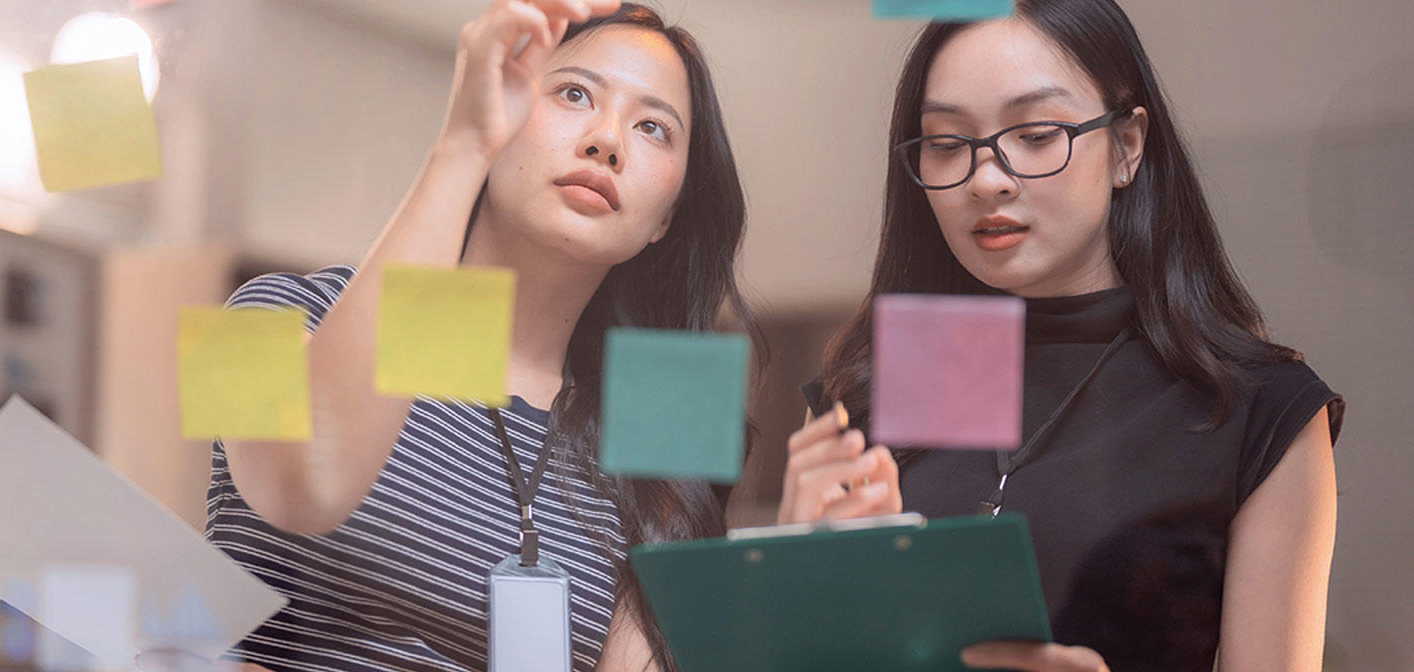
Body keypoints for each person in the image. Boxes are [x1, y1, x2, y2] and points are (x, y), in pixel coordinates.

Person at [784, 1, 1343, 669]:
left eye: (1037, 134)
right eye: (946, 143)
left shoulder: (1256, 410)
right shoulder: (862, 396)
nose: (987, 179)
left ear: (1127, 145)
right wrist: (785, 585)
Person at [203, 2, 759, 670]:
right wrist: (462, 144)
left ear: (666, 217)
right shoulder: (262, 313)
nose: (608, 139)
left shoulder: (660, 437)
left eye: (653, 128)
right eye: (574, 94)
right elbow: (302, 486)